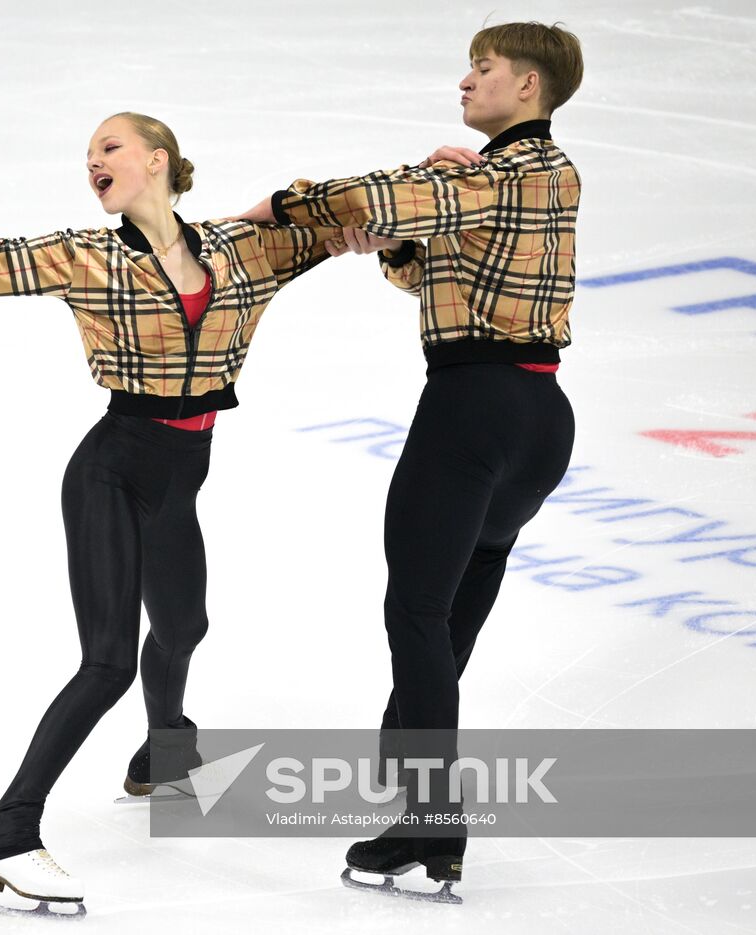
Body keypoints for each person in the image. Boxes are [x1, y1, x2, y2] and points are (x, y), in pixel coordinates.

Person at [0, 112, 342, 912]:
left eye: (108, 148)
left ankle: (162, 756)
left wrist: (377, 219)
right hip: (111, 471)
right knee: (109, 660)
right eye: (87, 156)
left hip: (182, 476)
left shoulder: (234, 249)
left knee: (185, 626)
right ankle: (8, 837)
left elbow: (320, 224)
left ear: (159, 160)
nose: (93, 163)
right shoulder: (89, 257)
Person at [241, 21, 584, 901]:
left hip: (473, 410)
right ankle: (416, 794)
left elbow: (372, 195)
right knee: (445, 614)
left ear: (529, 89)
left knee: (416, 609)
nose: (465, 82)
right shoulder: (521, 182)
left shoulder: (512, 170)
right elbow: (426, 263)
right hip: (538, 420)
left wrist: (288, 203)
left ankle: (431, 810)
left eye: (484, 70)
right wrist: (393, 241)